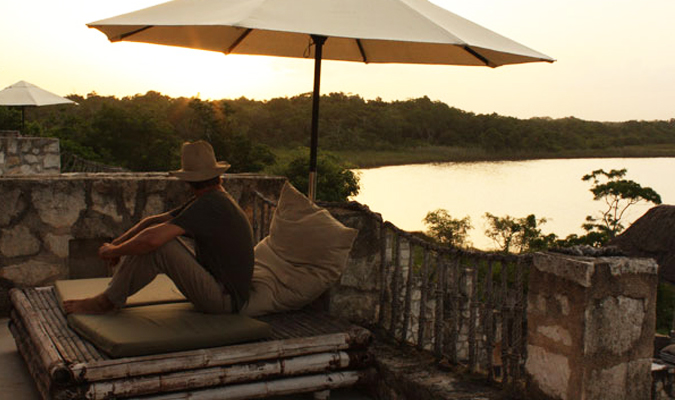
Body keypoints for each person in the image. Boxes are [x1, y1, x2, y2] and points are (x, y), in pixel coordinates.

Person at [64, 141, 254, 315]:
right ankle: (111, 295)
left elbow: (152, 239)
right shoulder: (210, 199)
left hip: (225, 302)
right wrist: (116, 245)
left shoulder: (212, 204)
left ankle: (105, 302)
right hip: (218, 291)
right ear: (216, 175)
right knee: (153, 238)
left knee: (161, 245)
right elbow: (152, 222)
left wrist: (113, 251)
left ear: (187, 180)